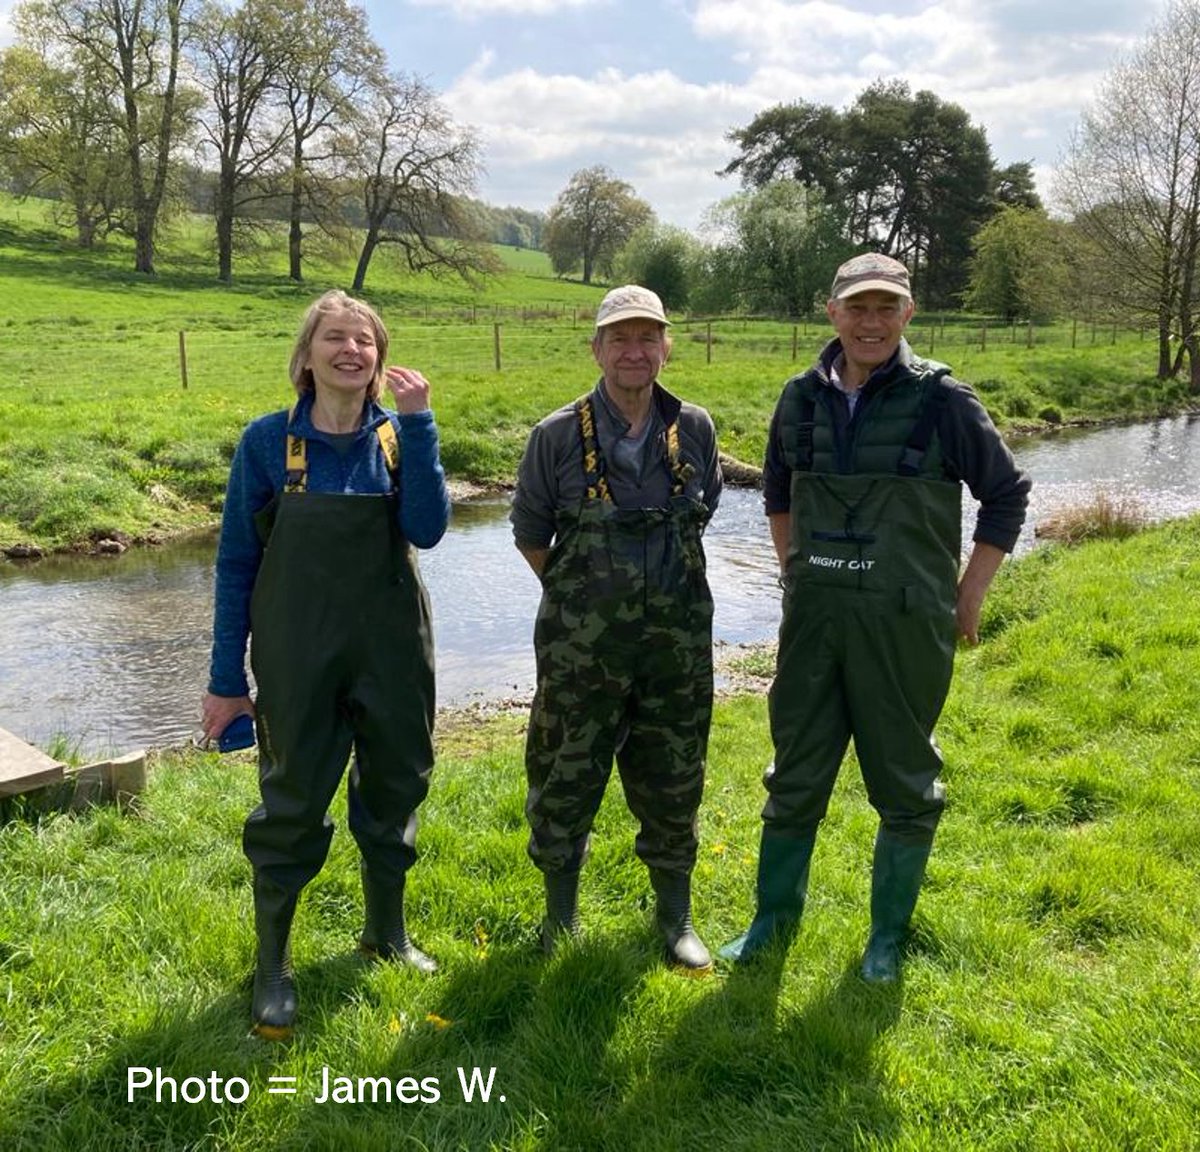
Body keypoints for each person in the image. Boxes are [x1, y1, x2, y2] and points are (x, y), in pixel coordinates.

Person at [720, 253, 1031, 982]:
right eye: (857, 308)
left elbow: (1007, 494)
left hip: (905, 623)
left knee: (904, 781)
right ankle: (771, 923)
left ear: (908, 314)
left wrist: (969, 592)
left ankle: (886, 940)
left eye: (886, 308)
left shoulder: (944, 401)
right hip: (816, 623)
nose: (871, 322)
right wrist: (793, 572)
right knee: (794, 772)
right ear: (832, 313)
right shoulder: (799, 398)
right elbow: (776, 492)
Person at [200, 289, 450, 1040]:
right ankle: (273, 966)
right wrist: (224, 681)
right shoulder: (267, 442)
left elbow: (428, 530)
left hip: (392, 651)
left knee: (396, 784)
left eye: (365, 341)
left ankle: (387, 934)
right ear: (306, 356)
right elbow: (235, 564)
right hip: (297, 653)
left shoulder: (398, 440)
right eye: (335, 338)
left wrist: (422, 425)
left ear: (379, 358)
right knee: (292, 800)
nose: (351, 351)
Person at [511, 284, 723, 974]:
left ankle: (676, 920)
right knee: (565, 772)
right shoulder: (554, 436)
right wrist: (585, 597)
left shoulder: (695, 428)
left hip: (677, 654)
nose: (635, 351)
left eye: (647, 338)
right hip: (581, 656)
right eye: (620, 338)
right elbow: (530, 535)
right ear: (596, 349)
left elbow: (706, 508)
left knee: (674, 777)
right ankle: (559, 919)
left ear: (666, 347)